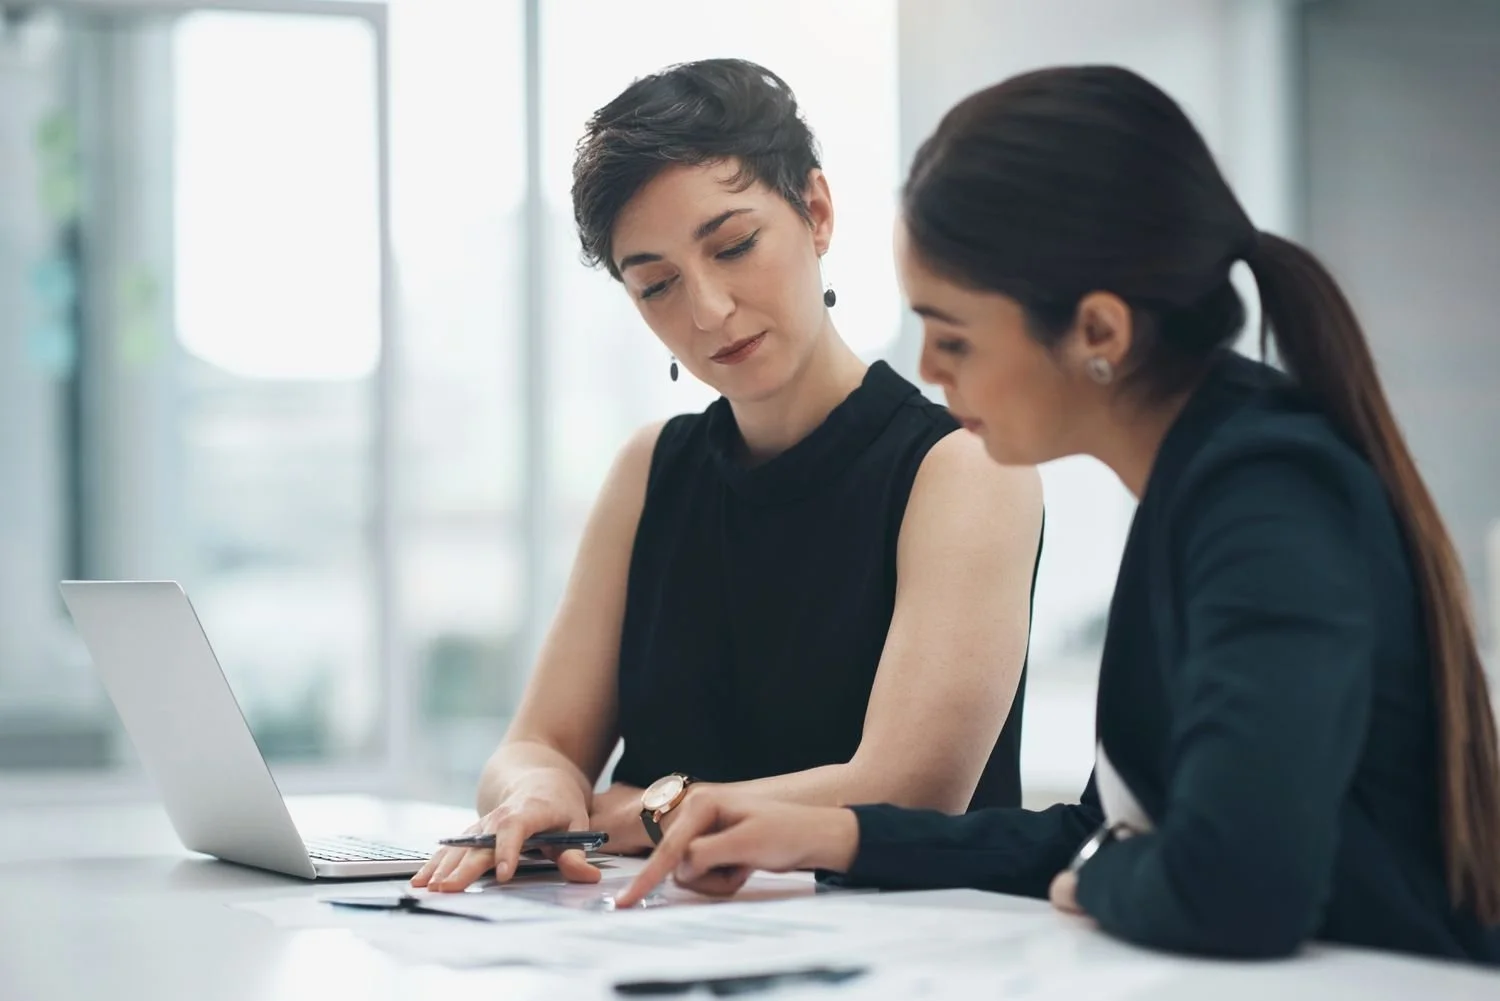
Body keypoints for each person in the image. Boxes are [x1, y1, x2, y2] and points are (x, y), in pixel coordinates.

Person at [615, 65, 1500, 965]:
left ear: (1100, 335)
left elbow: (1232, 889)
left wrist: (1099, 879)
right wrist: (825, 836)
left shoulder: (1266, 492)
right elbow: (1100, 828)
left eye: (954, 334)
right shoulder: (1201, 482)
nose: (929, 364)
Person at [412, 59, 1043, 893]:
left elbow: (908, 791)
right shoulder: (650, 468)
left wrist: (636, 810)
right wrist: (539, 791)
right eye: (657, 285)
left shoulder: (963, 465)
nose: (706, 310)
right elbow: (536, 745)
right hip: (652, 941)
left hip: (896, 953)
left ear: (815, 213)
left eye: (735, 245)